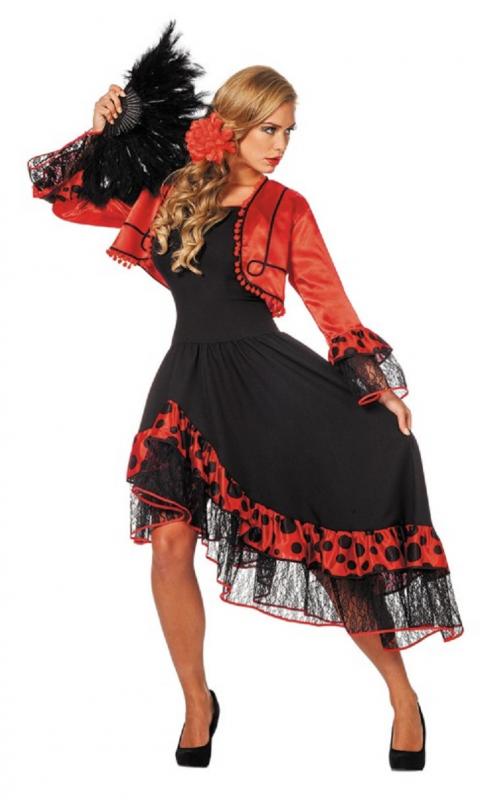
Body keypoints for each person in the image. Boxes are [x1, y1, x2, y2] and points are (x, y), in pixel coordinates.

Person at [28, 59, 464, 770]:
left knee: (333, 545)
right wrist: (101, 131)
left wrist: (376, 387)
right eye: (269, 129)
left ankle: (402, 695)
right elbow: (63, 195)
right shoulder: (169, 189)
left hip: (270, 387)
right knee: (169, 543)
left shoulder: (288, 206)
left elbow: (328, 300)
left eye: (289, 132)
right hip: (188, 383)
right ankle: (197, 702)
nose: (280, 145)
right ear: (229, 126)